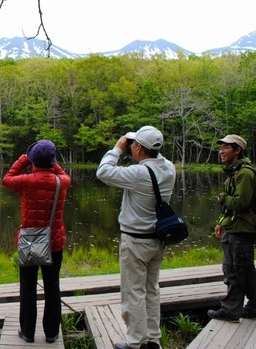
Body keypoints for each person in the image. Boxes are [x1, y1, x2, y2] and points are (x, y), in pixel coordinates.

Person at [96, 126, 175, 349]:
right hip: (158, 239)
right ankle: (152, 340)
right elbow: (155, 156)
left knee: (134, 292)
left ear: (139, 147)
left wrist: (117, 149)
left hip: (136, 240)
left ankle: (135, 342)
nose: (130, 146)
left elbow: (103, 172)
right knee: (152, 290)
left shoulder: (139, 173)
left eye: (133, 144)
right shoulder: (169, 168)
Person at [2, 139, 71, 344]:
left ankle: (27, 332)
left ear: (32, 161)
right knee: (52, 287)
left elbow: (7, 179)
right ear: (52, 161)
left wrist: (24, 157)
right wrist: (52, 162)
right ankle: (51, 333)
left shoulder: (25, 181)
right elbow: (60, 173)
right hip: (54, 242)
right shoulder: (62, 181)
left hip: (29, 243)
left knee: (28, 287)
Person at [207, 134, 256, 322]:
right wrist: (220, 223)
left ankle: (255, 308)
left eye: (226, 148)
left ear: (237, 150)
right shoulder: (234, 172)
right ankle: (231, 310)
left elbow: (241, 203)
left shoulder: (245, 174)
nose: (221, 151)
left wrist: (223, 197)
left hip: (243, 230)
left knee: (243, 271)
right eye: (221, 148)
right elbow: (231, 208)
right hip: (233, 228)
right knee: (231, 270)